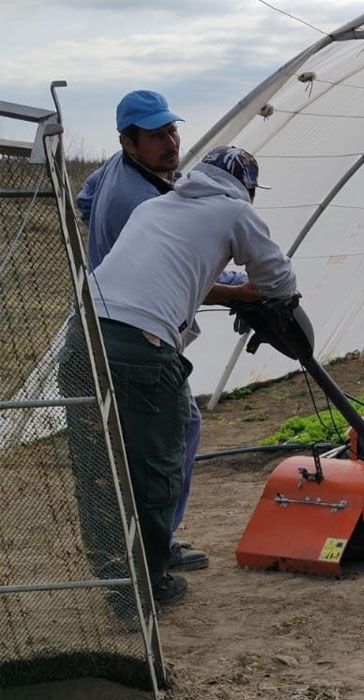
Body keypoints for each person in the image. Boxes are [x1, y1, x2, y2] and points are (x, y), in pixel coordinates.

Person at [64, 146, 297, 607]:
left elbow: (169, 273)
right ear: (247, 187)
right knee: (157, 471)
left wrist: (230, 293)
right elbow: (281, 283)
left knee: (101, 469)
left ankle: (115, 581)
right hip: (141, 349)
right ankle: (148, 587)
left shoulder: (156, 205)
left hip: (82, 334)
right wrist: (252, 292)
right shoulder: (235, 211)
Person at [77, 91, 244, 573]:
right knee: (169, 439)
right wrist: (240, 288)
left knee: (156, 437)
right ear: (129, 143)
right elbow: (182, 277)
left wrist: (101, 246)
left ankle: (140, 550)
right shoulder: (143, 200)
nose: (171, 143)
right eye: (156, 136)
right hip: (136, 331)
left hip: (113, 319)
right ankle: (153, 555)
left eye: (172, 131)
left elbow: (85, 201)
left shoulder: (117, 170)